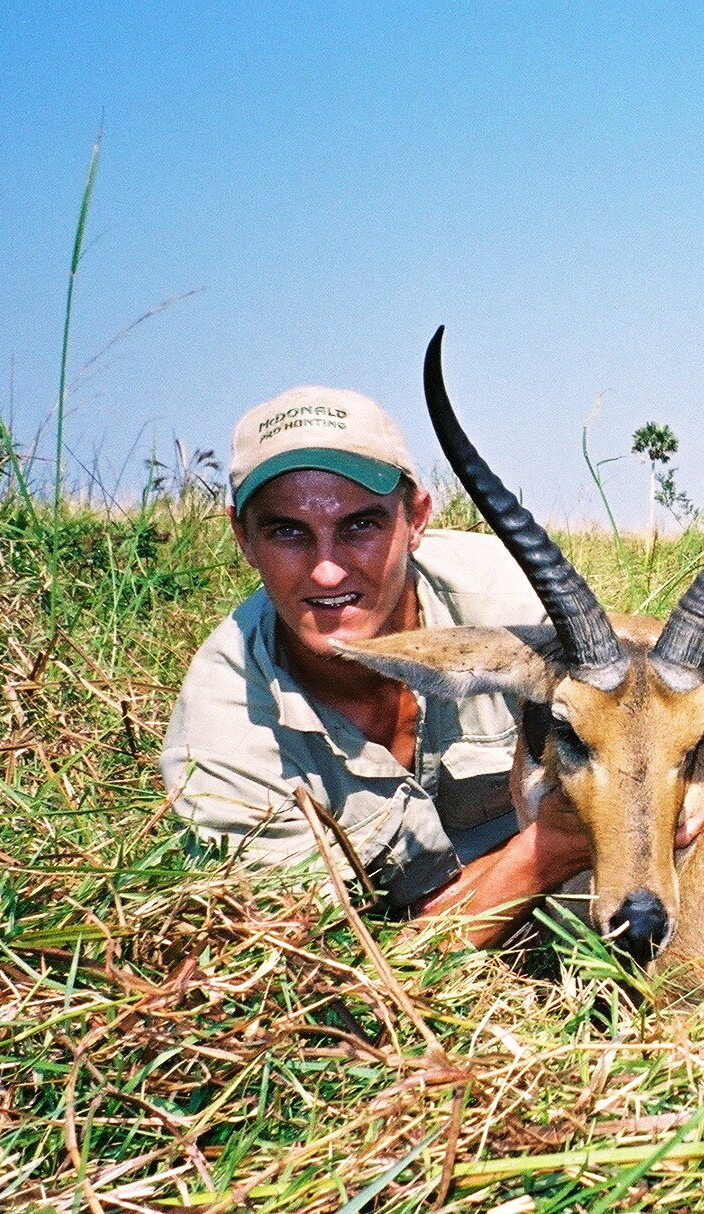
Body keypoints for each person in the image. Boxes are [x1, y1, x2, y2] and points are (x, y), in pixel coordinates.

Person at [161, 386, 590, 943]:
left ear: (416, 518)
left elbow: (647, 691)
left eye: (361, 525)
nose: (327, 573)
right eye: (287, 531)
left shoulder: (514, 597)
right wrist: (547, 852)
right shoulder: (221, 743)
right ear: (242, 537)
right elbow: (351, 965)